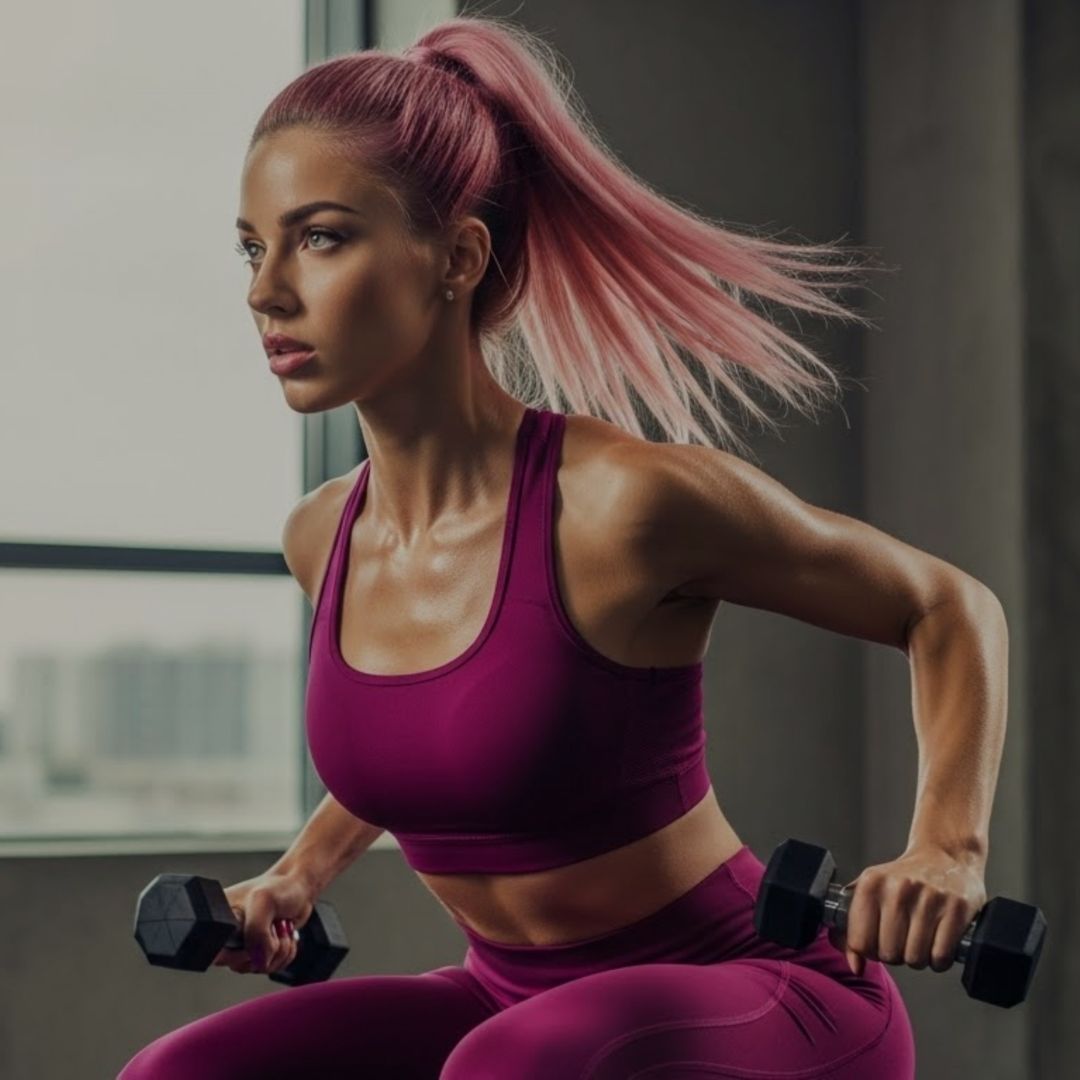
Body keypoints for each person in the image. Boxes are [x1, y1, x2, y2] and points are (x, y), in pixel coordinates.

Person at [118, 13, 935, 1078]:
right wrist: (297, 873)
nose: (265, 291)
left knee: (511, 1066)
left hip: (760, 986)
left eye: (319, 237)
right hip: (511, 1002)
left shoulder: (623, 505)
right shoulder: (324, 533)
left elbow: (945, 606)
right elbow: (429, 735)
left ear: (456, 256)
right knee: (176, 1075)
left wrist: (944, 851)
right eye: (251, 245)